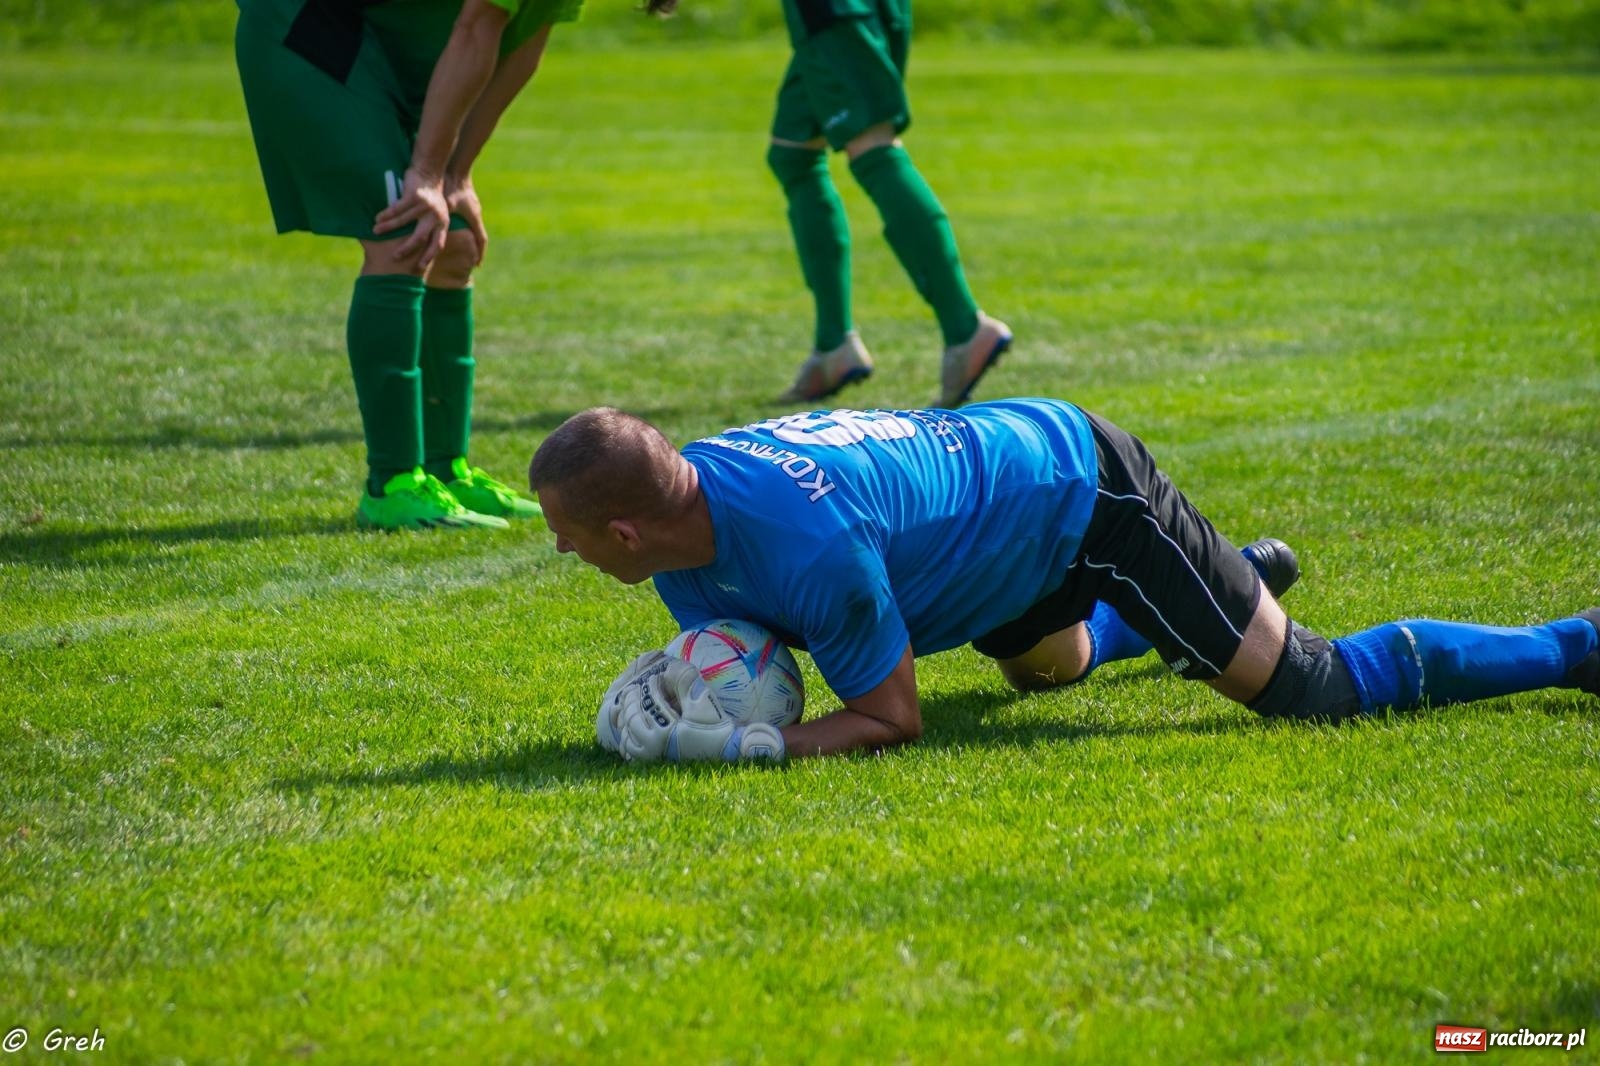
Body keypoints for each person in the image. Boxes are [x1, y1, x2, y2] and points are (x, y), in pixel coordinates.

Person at [528, 403, 1599, 762]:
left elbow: (888, 717)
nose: (563, 553)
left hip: (1079, 494)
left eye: (568, 534)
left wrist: (735, 745)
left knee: (1307, 688)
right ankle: (1221, 596)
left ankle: (1576, 641)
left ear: (623, 526)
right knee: (1050, 668)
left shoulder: (812, 547)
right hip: (996, 539)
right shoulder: (680, 522)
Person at [234, 0, 667, 530]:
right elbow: (474, 28)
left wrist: (456, 175)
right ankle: (392, 485)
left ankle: (446, 471)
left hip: (389, 54)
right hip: (314, 26)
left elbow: (524, 49)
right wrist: (426, 170)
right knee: (403, 237)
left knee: (454, 247)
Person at [766, 0, 1011, 408]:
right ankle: (833, 347)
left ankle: (965, 327)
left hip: (836, 12)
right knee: (794, 154)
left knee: (873, 148)